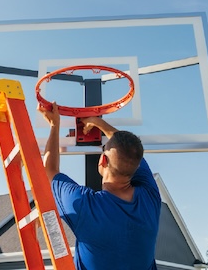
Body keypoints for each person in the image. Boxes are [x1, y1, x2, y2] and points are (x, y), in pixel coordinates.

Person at [38, 102, 161, 270]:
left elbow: (50, 170)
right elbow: (129, 149)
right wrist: (97, 122)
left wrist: (54, 125)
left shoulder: (84, 204)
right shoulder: (151, 197)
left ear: (103, 160)